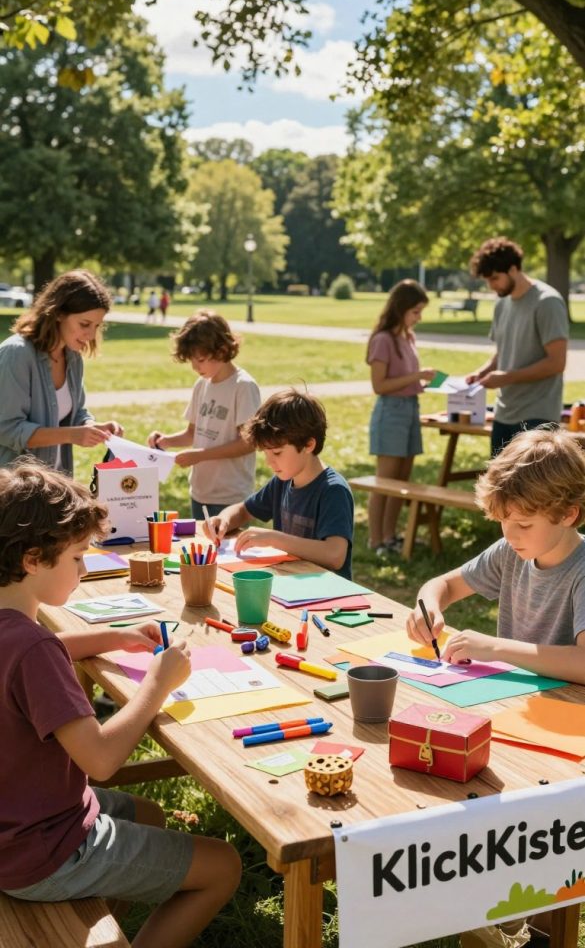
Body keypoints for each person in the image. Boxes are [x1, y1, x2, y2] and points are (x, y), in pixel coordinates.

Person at [0, 462, 241, 947]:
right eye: (76, 558)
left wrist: (115, 636)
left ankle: (97, 921)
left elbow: (29, 662)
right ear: (32, 559)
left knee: (147, 814)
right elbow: (103, 760)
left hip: (17, 824)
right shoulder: (34, 649)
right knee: (224, 865)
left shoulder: (18, 634)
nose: (84, 568)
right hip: (43, 849)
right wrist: (157, 682)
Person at [407, 427, 585, 683]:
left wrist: (496, 649)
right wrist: (428, 607)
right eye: (503, 521)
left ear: (569, 514)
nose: (511, 536)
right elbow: (443, 585)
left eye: (524, 525)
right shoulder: (509, 552)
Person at [203, 389, 355, 579]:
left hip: (329, 598)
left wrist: (274, 539)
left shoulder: (333, 490)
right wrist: (224, 520)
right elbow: (243, 510)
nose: (269, 462)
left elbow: (334, 555)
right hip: (292, 584)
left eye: (276, 453)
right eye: (265, 453)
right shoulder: (282, 482)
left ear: (308, 445)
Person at [0, 270, 123, 475]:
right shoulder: (17, 354)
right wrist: (71, 435)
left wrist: (92, 426)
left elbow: (75, 413)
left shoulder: (72, 356)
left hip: (56, 483)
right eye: (84, 324)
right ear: (58, 313)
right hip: (16, 491)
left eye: (97, 326)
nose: (91, 334)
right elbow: (7, 428)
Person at [147, 311, 261, 521]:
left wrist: (199, 456)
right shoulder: (202, 384)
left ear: (223, 349)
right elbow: (192, 433)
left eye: (200, 359)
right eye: (191, 360)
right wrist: (166, 441)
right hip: (199, 492)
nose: (195, 367)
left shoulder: (243, 387)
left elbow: (248, 443)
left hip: (230, 496)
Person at [465, 237, 569, 456]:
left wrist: (506, 377)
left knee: (534, 490)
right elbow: (503, 351)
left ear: (513, 269)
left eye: (495, 278)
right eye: (487, 281)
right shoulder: (501, 303)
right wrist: (482, 372)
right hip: (504, 412)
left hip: (537, 416)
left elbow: (556, 363)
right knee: (499, 488)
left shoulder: (547, 302)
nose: (492, 286)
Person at [366, 279, 436, 557]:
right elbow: (380, 385)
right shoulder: (383, 340)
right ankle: (375, 540)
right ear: (401, 308)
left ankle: (390, 535)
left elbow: (405, 381)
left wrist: (428, 383)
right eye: (416, 311)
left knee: (403, 482)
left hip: (410, 409)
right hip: (391, 413)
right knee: (386, 481)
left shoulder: (408, 337)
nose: (419, 317)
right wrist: (417, 376)